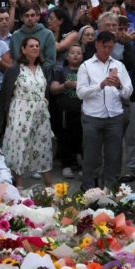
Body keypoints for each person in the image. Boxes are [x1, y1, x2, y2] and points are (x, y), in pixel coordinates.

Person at [77, 30, 133, 190]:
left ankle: (110, 191)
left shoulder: (119, 65)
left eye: (110, 47)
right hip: (92, 116)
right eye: (104, 46)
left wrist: (119, 85)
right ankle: (89, 190)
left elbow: (129, 91)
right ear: (96, 44)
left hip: (115, 116)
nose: (107, 50)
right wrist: (100, 85)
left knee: (114, 156)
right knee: (91, 156)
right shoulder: (86, 66)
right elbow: (80, 93)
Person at [0, 36, 53, 188]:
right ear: (23, 49)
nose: (35, 48)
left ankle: (48, 183)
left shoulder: (44, 69)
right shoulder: (15, 69)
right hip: (20, 112)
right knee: (19, 146)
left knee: (43, 146)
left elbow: (46, 92)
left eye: (37, 45)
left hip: (41, 113)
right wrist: (4, 117)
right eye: (31, 46)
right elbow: (5, 94)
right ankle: (19, 184)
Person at [50, 44, 86, 180]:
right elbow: (53, 89)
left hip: (83, 110)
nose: (76, 55)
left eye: (78, 53)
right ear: (67, 56)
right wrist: (65, 85)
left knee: (83, 138)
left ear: (82, 56)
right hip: (65, 110)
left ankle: (84, 165)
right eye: (72, 53)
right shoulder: (60, 71)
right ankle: (67, 165)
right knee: (65, 138)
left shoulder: (86, 71)